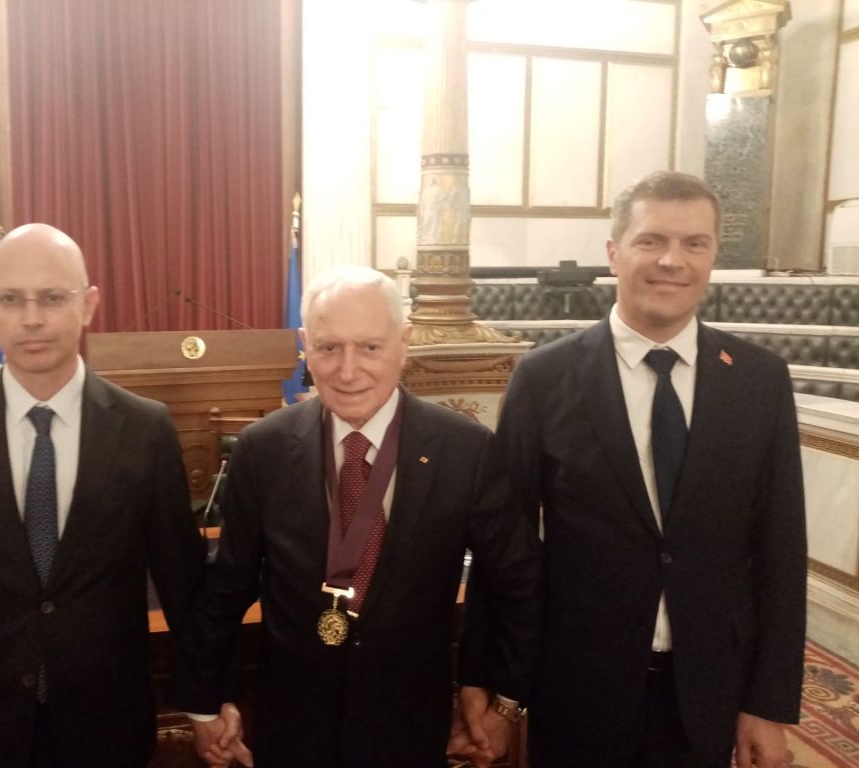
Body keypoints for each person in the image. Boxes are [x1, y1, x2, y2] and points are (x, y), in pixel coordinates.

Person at [496, 171, 807, 768]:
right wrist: (498, 687)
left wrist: (768, 704)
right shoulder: (543, 378)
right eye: (652, 241)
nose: (673, 261)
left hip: (707, 693)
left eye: (695, 243)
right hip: (577, 690)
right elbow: (506, 544)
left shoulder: (760, 381)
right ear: (614, 253)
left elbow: (780, 551)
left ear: (713, 256)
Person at [172, 266, 541, 768]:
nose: (348, 372)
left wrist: (504, 701)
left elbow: (514, 580)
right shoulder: (263, 449)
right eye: (329, 348)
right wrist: (204, 702)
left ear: (403, 343)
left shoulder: (466, 450)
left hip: (411, 727)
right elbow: (227, 584)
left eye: (370, 347)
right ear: (305, 345)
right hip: (291, 728)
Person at [0, 223, 205, 768]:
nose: (31, 318)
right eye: (11, 299)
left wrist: (206, 703)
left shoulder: (144, 429)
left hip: (108, 728)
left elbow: (184, 583)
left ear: (88, 305)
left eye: (52, 298)